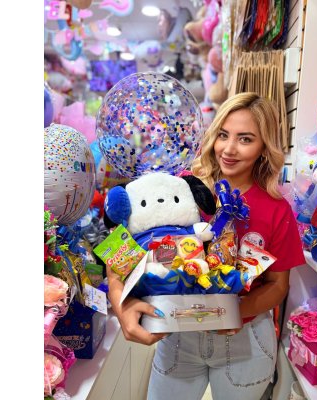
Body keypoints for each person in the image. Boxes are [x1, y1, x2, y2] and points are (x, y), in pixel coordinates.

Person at [107, 92, 306, 400]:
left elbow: (278, 286)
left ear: (264, 147)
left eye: (245, 139)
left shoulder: (277, 209)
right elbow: (119, 247)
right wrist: (121, 302)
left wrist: (230, 312)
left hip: (245, 342)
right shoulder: (180, 188)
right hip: (177, 338)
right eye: (223, 135)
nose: (228, 148)